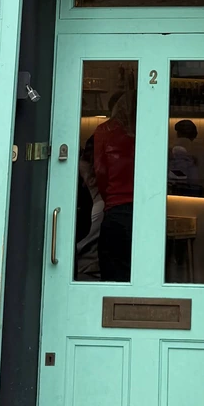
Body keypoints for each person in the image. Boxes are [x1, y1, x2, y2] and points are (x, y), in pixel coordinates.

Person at [93, 90, 136, 281]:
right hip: (147, 212)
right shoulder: (150, 130)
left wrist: (109, 199)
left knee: (113, 277)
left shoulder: (104, 131)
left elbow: (100, 173)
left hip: (116, 211)